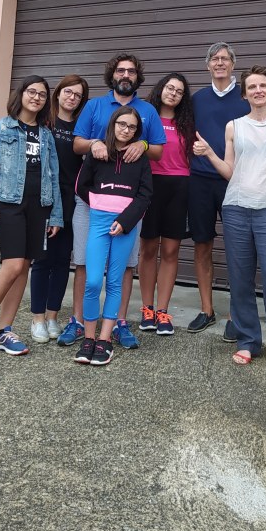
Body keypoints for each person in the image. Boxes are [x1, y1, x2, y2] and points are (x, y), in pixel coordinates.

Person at [193, 66, 266, 375]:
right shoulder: (234, 127)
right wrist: (210, 154)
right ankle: (248, 341)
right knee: (240, 278)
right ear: (244, 94)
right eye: (252, 87)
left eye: (263, 86)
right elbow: (230, 171)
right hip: (237, 207)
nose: (258, 91)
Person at [56, 52, 165, 350]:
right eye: (120, 70)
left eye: (131, 71)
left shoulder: (147, 110)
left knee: (125, 266)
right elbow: (77, 144)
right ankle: (78, 321)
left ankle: (118, 323)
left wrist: (143, 143)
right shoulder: (94, 106)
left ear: (137, 77)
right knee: (83, 262)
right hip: (92, 200)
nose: (125, 75)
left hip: (128, 205)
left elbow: (158, 150)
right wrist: (95, 143)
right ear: (112, 75)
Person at [0, 75, 63, 363]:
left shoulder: (46, 135)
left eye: (42, 94)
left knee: (24, 268)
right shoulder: (1, 128)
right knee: (12, 266)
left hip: (39, 206)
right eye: (32, 91)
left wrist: (56, 214)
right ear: (21, 94)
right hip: (9, 205)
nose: (37, 97)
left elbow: (53, 175)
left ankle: (3, 331)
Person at [74, 107, 153, 366]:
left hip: (125, 227)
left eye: (132, 127)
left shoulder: (139, 158)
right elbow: (81, 186)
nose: (126, 130)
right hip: (98, 223)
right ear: (113, 124)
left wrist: (125, 221)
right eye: (122, 124)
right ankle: (88, 338)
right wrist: (99, 206)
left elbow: (145, 195)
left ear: (136, 131)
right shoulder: (97, 153)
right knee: (93, 281)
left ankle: (104, 340)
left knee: (115, 282)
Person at [187, 42, 249, 339]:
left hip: (236, 182)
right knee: (202, 245)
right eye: (215, 58)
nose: (220, 62)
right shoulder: (197, 99)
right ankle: (206, 310)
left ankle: (236, 315)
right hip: (199, 181)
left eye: (225, 58)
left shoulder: (247, 96)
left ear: (233, 64)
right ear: (208, 65)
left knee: (238, 248)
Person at [29, 74, 89, 342]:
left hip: (71, 198)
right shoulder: (44, 121)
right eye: (68, 92)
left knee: (63, 260)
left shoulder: (81, 127)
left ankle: (53, 316)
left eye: (78, 95)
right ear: (58, 92)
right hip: (45, 197)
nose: (72, 97)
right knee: (43, 259)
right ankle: (37, 318)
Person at [138, 72, 196, 335]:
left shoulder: (188, 123)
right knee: (149, 249)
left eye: (179, 91)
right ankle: (147, 309)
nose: (173, 93)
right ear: (161, 89)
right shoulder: (146, 117)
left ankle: (163, 311)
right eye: (170, 88)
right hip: (150, 185)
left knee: (171, 251)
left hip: (179, 187)